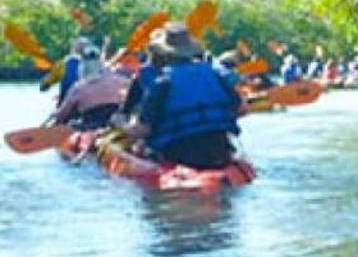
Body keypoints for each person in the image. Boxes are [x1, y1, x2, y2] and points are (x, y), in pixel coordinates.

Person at [128, 25, 244, 168]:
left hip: (179, 156)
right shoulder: (215, 74)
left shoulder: (162, 82)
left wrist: (128, 133)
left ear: (164, 54)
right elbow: (241, 109)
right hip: (219, 151)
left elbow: (143, 128)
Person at [52, 48, 129, 129]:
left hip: (90, 127)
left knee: (70, 124)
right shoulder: (119, 81)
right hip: (114, 125)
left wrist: (55, 115)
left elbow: (62, 114)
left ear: (83, 67)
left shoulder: (78, 88)